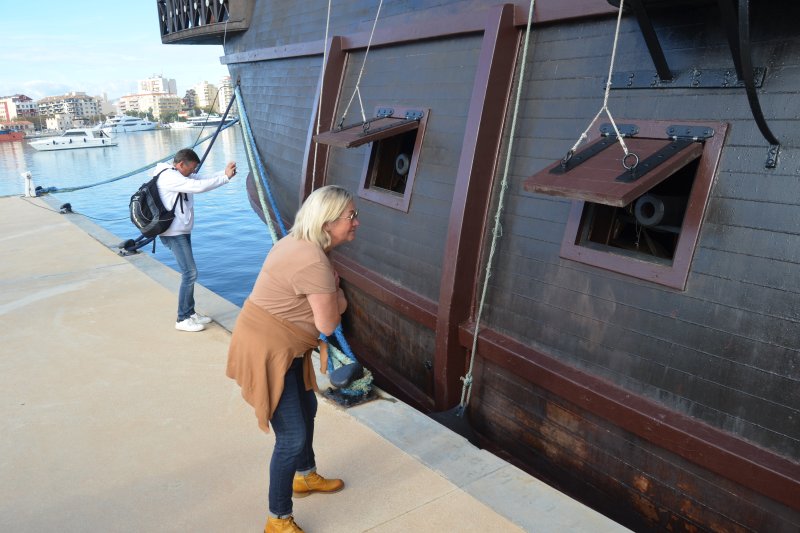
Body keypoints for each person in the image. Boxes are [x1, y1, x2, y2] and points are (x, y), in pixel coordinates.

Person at [226, 185, 359, 533]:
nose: (357, 222)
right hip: (271, 351)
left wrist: (330, 291)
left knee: (307, 409)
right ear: (328, 222)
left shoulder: (297, 242)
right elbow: (328, 323)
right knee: (291, 437)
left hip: (284, 344)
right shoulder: (313, 259)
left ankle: (305, 477)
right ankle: (278, 520)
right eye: (351, 216)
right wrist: (339, 297)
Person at [153, 148, 237, 332]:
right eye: (191, 168)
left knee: (189, 273)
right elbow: (197, 187)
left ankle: (190, 313)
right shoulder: (169, 177)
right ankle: (182, 319)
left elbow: (199, 179)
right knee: (190, 273)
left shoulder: (179, 174)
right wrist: (225, 178)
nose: (193, 172)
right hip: (172, 233)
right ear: (181, 164)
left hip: (181, 230)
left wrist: (223, 173)